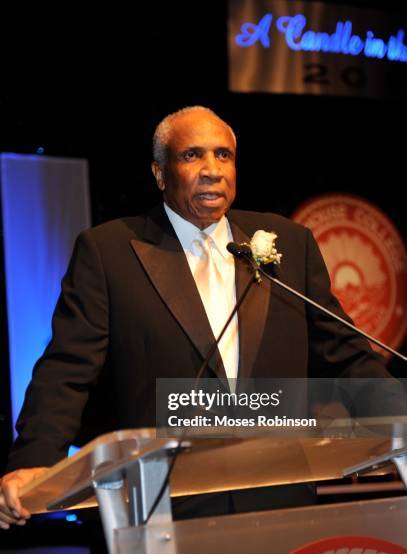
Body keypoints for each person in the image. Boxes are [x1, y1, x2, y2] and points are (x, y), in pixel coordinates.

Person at [0, 105, 399, 530]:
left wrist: (402, 424)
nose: (212, 170)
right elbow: (66, 371)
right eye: (192, 155)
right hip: (165, 505)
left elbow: (349, 357)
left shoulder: (289, 244)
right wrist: (34, 462)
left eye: (223, 155)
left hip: (280, 497)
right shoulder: (109, 251)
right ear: (159, 173)